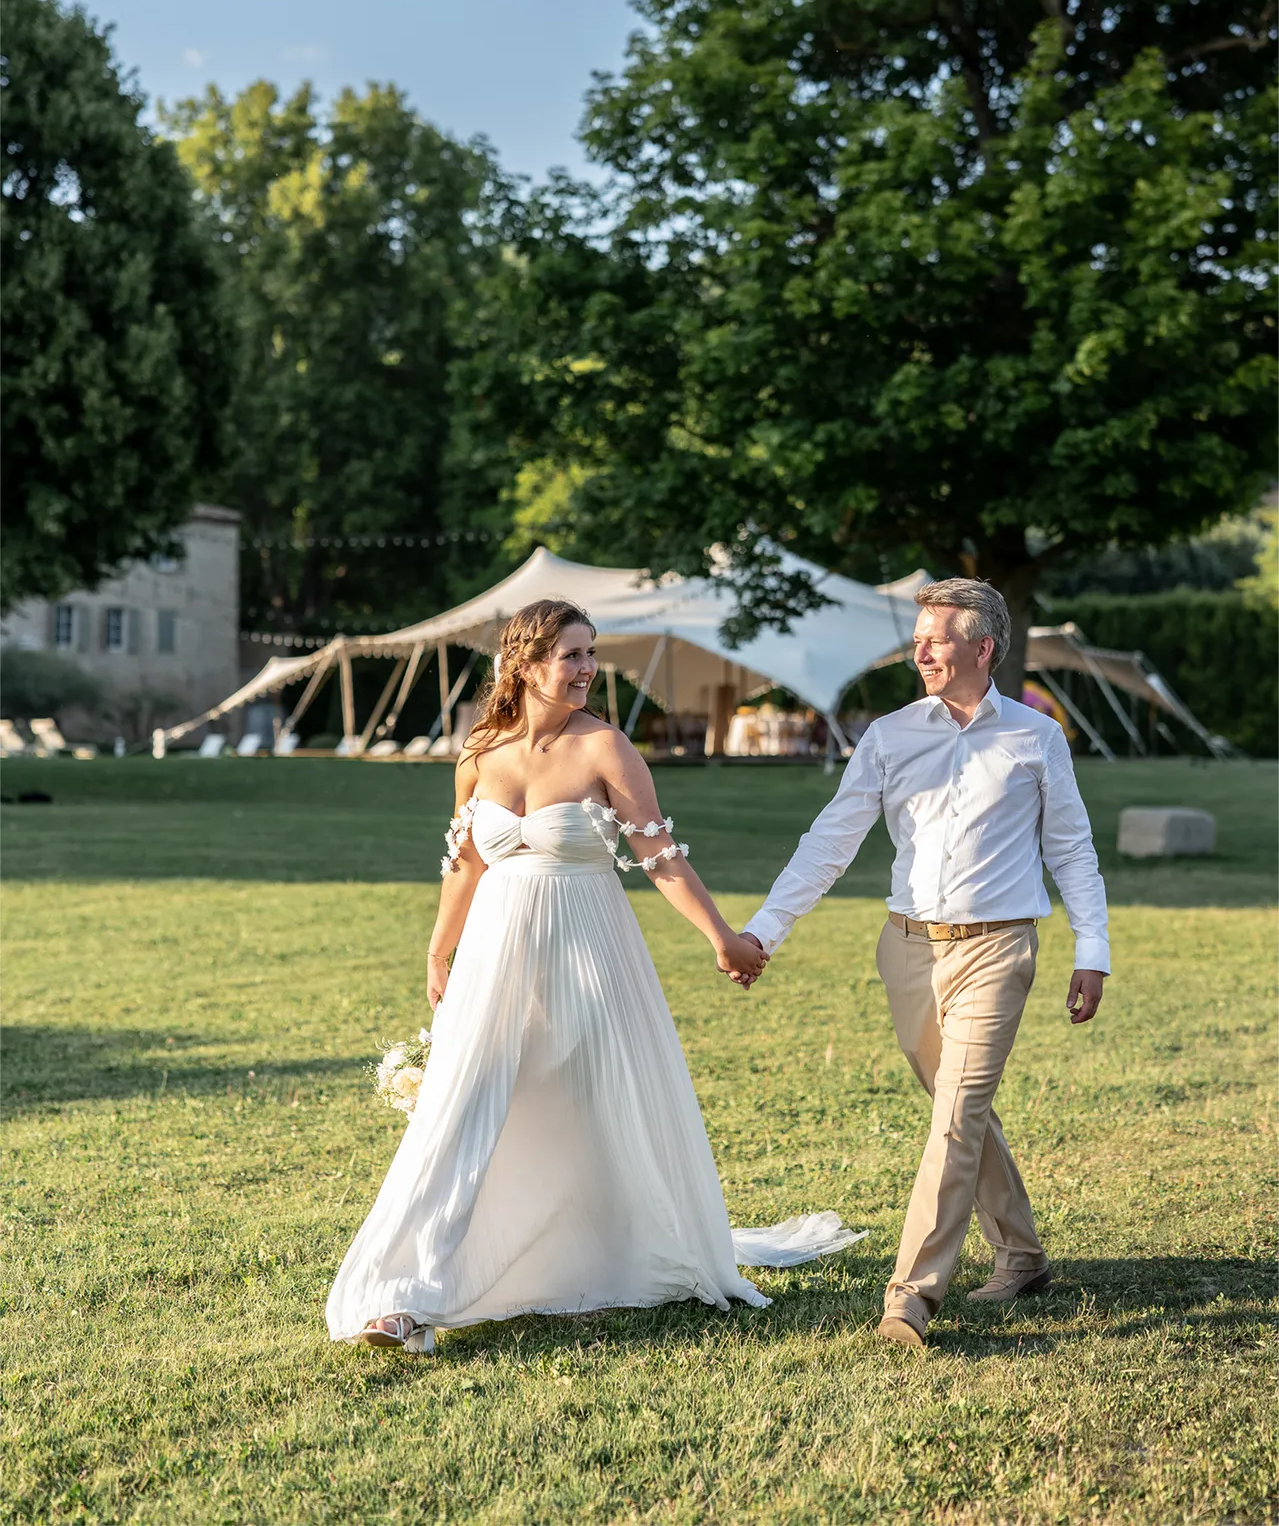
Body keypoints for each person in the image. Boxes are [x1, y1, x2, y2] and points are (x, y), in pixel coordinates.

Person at [326, 598, 862, 1354]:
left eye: (590, 652)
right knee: (462, 1106)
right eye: (571, 655)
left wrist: (722, 937)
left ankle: (594, 1249)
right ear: (524, 664)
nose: (587, 669)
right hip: (494, 955)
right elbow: (465, 863)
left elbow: (659, 857)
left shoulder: (607, 747)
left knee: (590, 1098)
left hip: (588, 948)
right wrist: (439, 952)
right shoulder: (478, 752)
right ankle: (403, 1298)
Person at [740, 577, 1110, 1349]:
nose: (920, 653)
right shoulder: (888, 735)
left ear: (982, 648)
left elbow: (1070, 848)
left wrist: (1092, 949)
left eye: (935, 640)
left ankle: (908, 1298)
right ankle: (1022, 1255)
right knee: (959, 1110)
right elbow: (830, 840)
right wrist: (764, 930)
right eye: (917, 640)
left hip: (998, 948)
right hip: (906, 949)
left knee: (954, 1117)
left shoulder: (1036, 738)